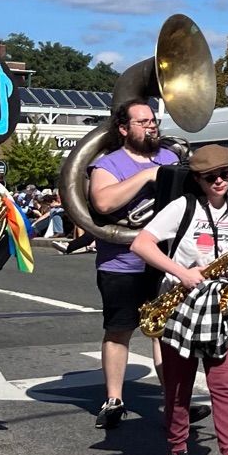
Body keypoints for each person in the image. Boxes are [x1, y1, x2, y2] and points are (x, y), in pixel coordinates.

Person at [128, 144, 228, 455]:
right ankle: (177, 451)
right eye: (211, 177)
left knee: (222, 384)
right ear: (199, 180)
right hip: (182, 303)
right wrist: (183, 272)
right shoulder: (182, 207)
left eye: (225, 174)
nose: (219, 181)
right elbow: (141, 244)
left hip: (220, 306)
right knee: (178, 385)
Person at [87, 100, 186, 431]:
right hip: (121, 262)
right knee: (119, 330)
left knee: (165, 332)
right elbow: (102, 202)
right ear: (123, 128)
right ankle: (114, 400)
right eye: (142, 121)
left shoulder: (170, 159)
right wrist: (146, 176)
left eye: (153, 120)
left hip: (164, 260)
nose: (151, 126)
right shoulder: (107, 164)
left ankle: (172, 399)